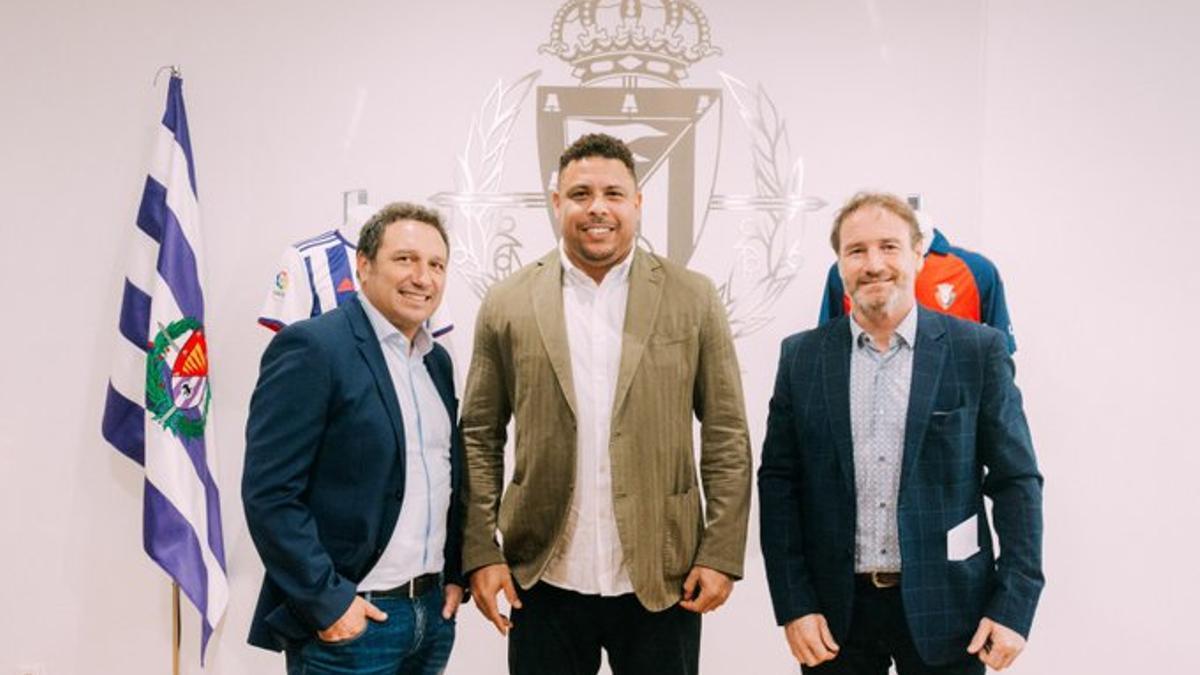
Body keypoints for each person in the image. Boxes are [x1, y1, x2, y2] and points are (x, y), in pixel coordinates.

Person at [461, 133, 752, 675]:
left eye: (614, 193)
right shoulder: (508, 302)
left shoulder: (693, 297)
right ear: (557, 204)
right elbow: (479, 433)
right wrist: (481, 549)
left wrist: (721, 553)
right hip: (543, 576)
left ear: (638, 203)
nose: (598, 207)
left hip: (662, 577)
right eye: (580, 194)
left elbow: (726, 432)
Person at [759, 192, 1043, 674]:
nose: (874, 264)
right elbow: (779, 484)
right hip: (835, 616)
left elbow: (1017, 481)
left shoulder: (976, 351)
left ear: (917, 254)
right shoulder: (802, 358)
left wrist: (1014, 606)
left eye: (889, 247)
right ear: (840, 266)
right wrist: (794, 604)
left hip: (952, 609)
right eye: (857, 251)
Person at [243, 202, 465, 674]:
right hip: (354, 624)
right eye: (405, 259)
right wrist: (330, 603)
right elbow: (270, 493)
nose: (422, 277)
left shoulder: (436, 363)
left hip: (430, 615)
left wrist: (454, 576)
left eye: (436, 264)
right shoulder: (314, 347)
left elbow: (446, 478)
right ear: (363, 266)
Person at [817, 224, 1016, 353]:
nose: (875, 266)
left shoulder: (977, 269)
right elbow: (827, 348)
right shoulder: (845, 272)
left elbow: (1001, 355)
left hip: (953, 402)